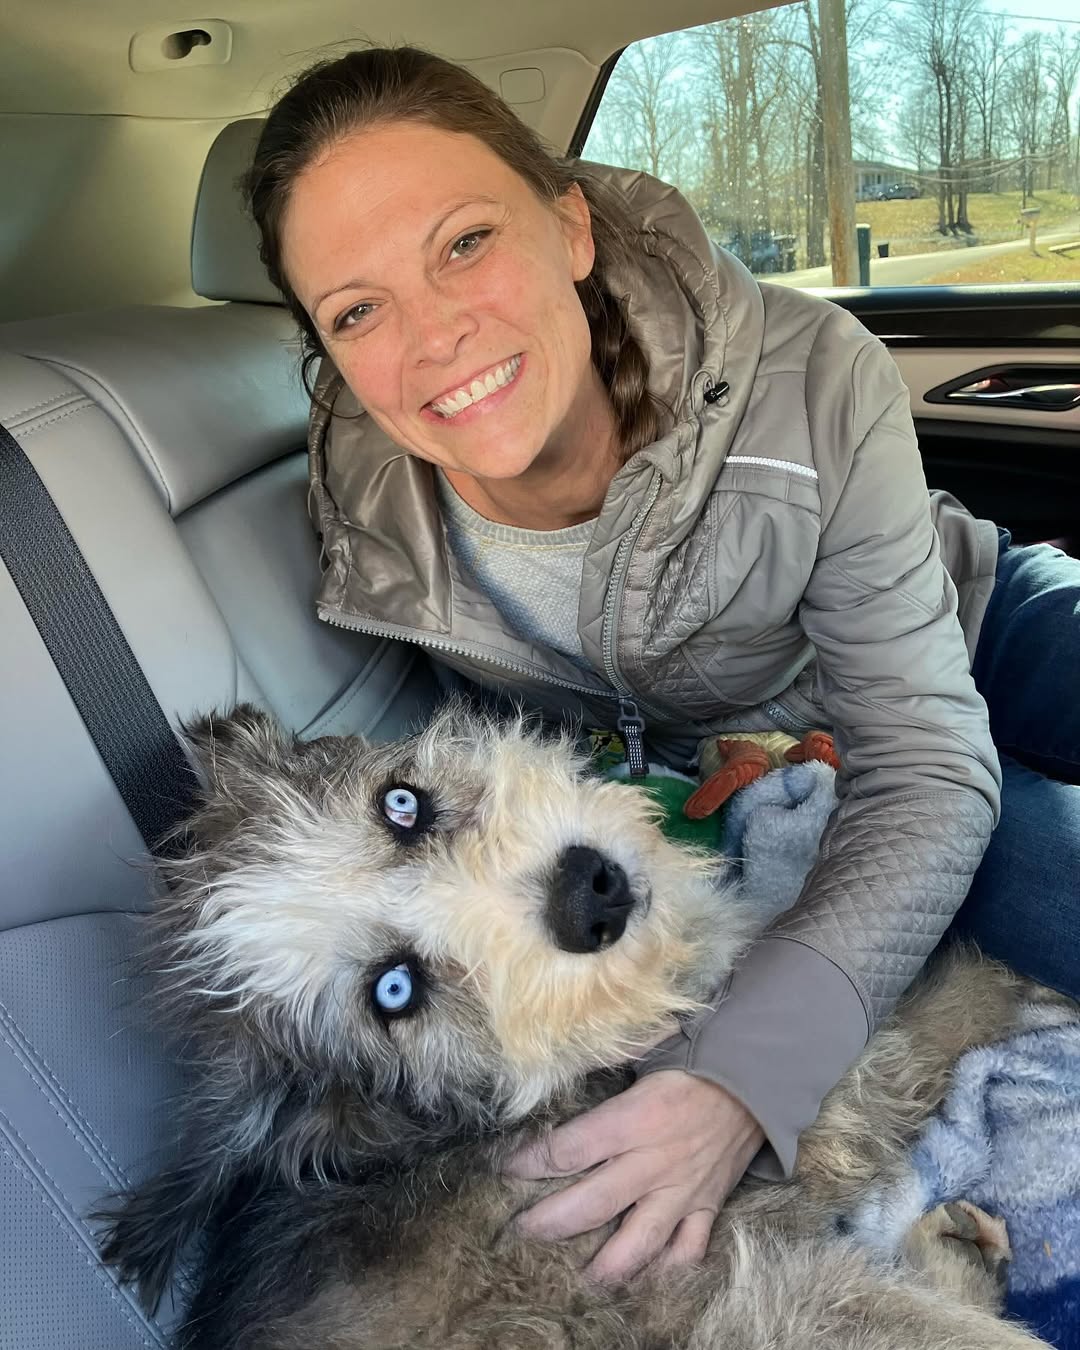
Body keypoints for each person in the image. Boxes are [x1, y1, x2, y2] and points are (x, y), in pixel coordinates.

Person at [242, 46, 1080, 1284]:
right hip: (777, 765)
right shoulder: (367, 527)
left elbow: (926, 748)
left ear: (571, 227)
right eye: (357, 309)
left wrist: (745, 1078)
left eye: (465, 243)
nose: (432, 336)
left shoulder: (810, 370)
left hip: (961, 620)